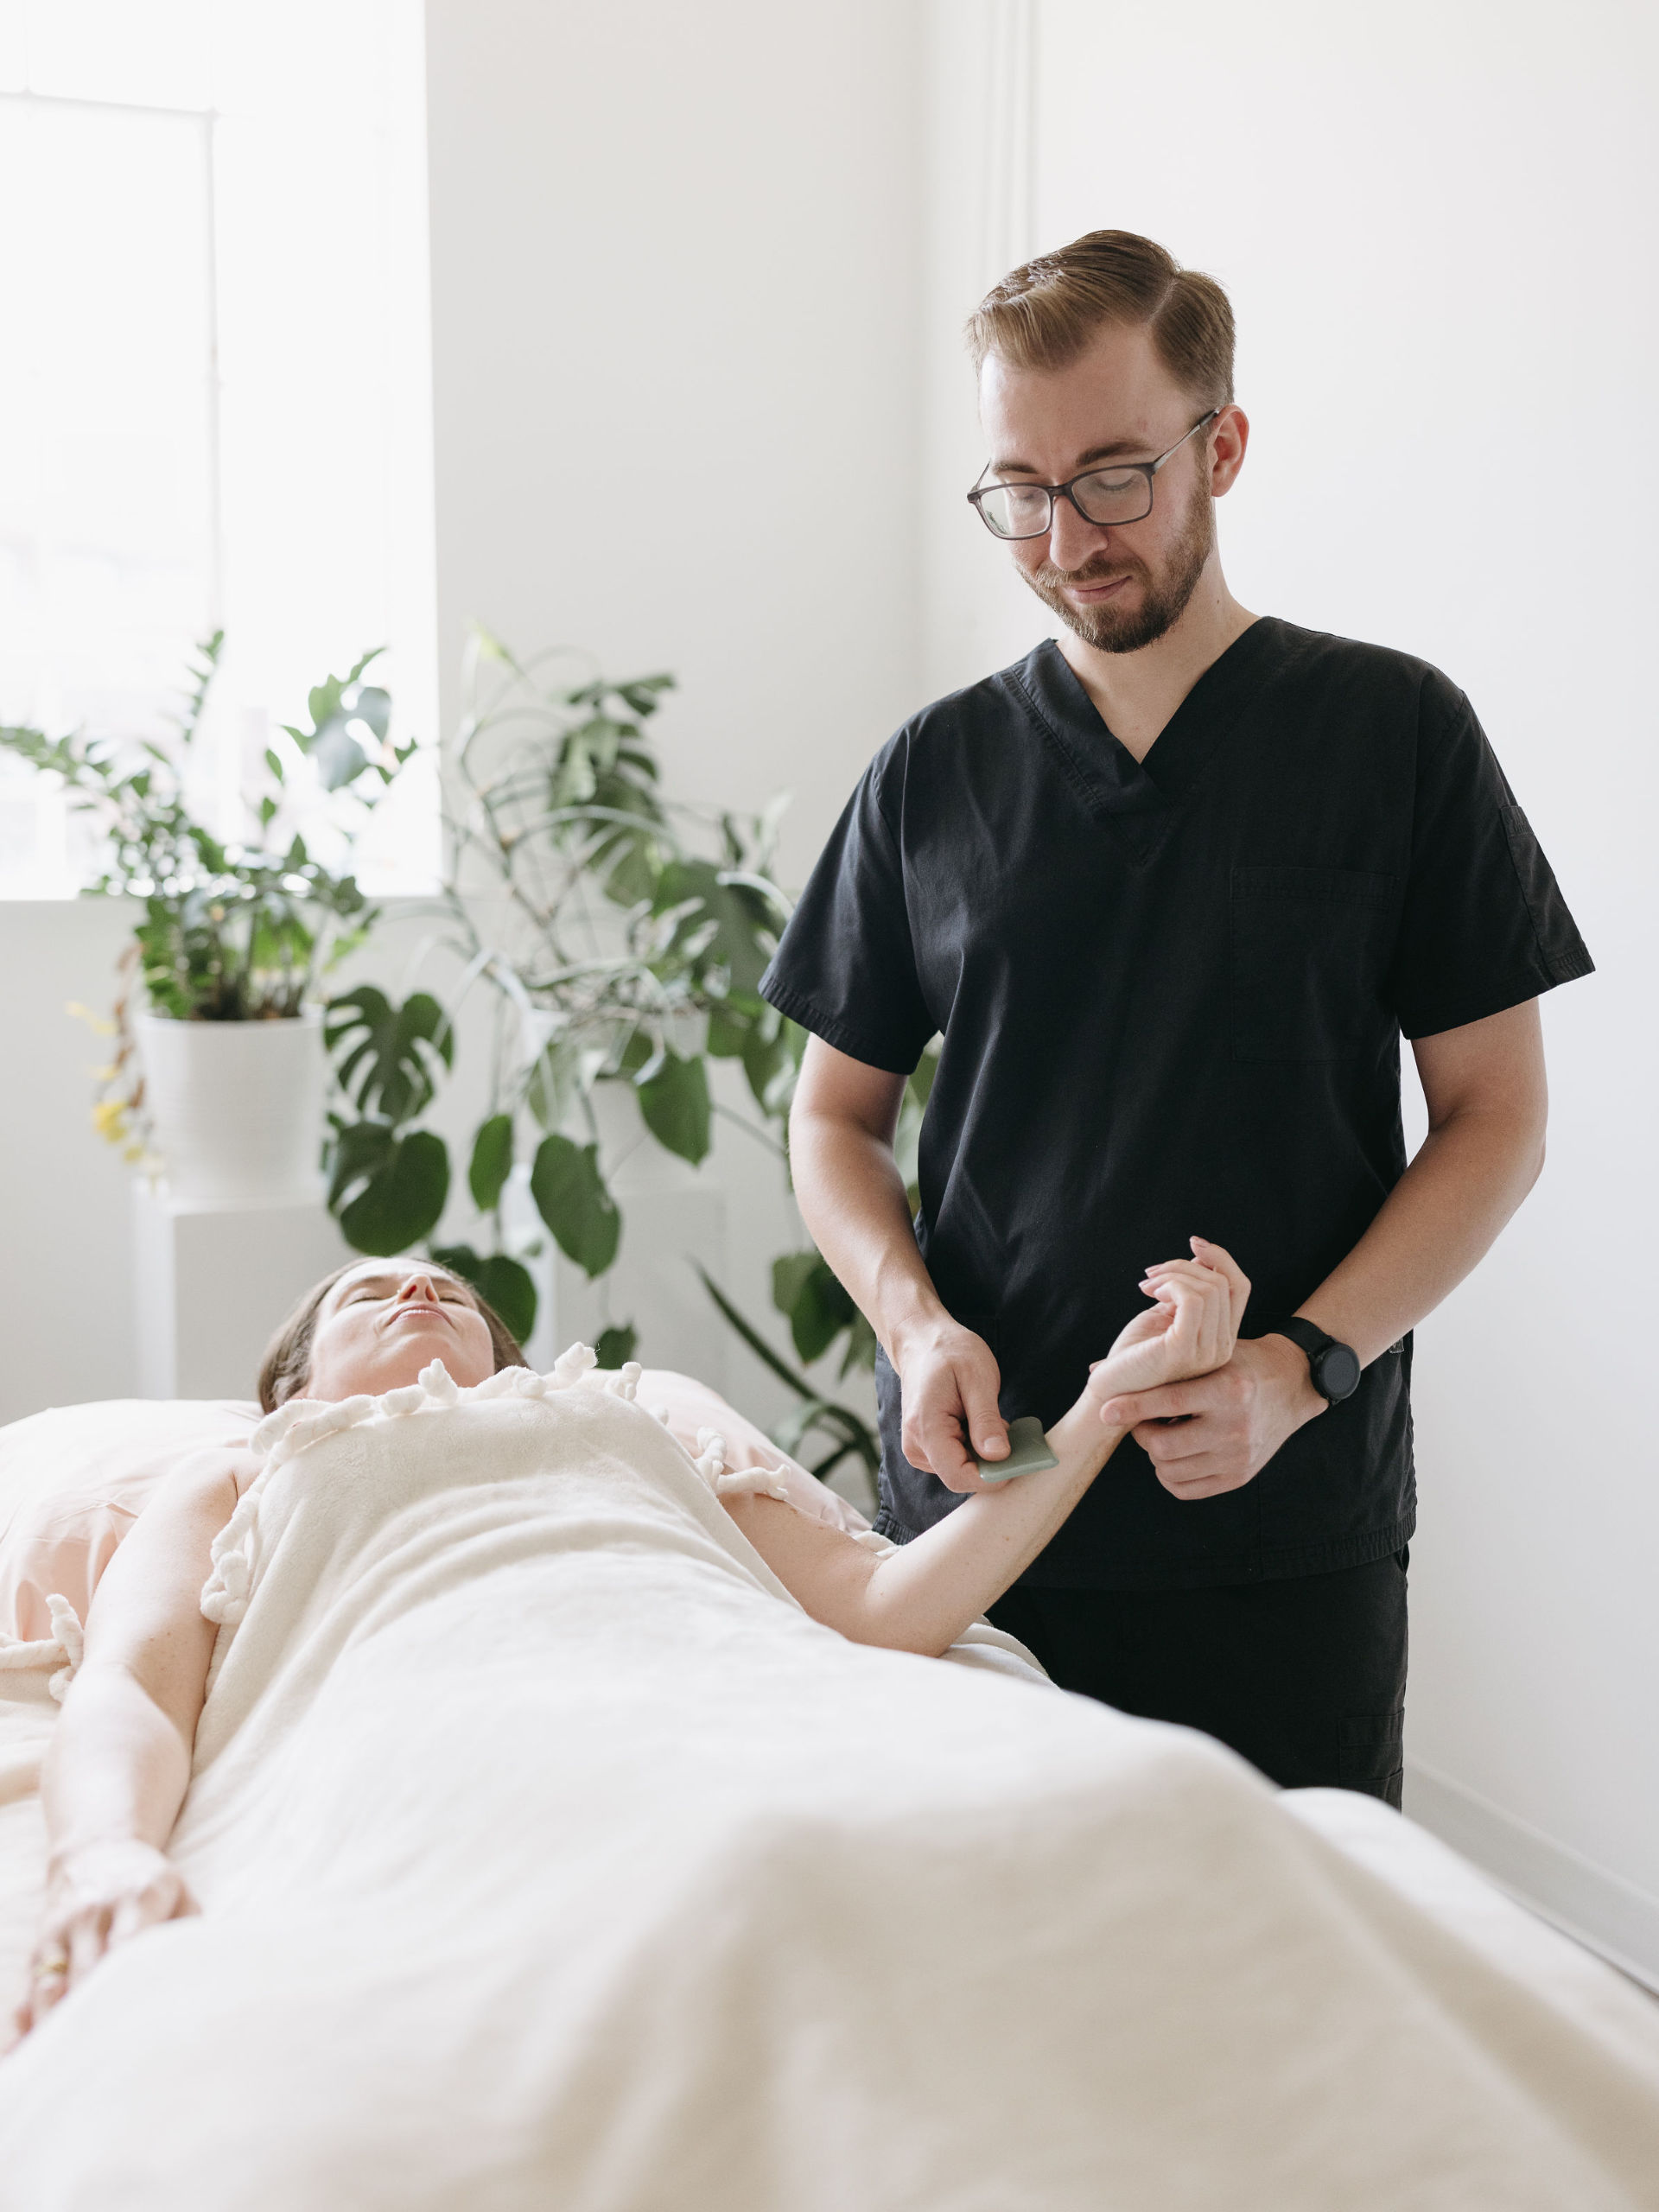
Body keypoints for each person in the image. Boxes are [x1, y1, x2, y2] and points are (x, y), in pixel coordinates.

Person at [760, 229, 1593, 1805]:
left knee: (1288, 1992)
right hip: (981, 1514)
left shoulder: (1392, 734)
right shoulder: (932, 774)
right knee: (978, 1984)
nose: (1068, 537)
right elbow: (833, 1115)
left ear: (1224, 448)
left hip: (1278, 1528)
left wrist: (1305, 1369)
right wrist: (912, 1320)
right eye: (1021, 488)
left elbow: (1499, 1118)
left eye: (1115, 476)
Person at [15, 1241, 1245, 2033]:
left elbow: (890, 1606)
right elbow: (130, 1687)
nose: (420, 1288)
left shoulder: (624, 1417)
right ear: (289, 1387)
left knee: (1150, 1832)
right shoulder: (239, 1469)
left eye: (451, 1288)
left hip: (709, 1688)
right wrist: (104, 1854)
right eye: (366, 1290)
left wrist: (1099, 1404)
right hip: (423, 1723)